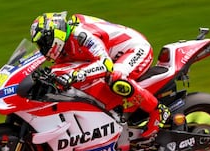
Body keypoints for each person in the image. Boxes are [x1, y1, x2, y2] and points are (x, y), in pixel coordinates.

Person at [30, 11, 170, 138]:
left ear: (56, 35)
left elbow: (105, 64)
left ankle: (158, 110)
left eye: (43, 43)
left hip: (134, 49)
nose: (42, 48)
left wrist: (76, 75)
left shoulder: (81, 35)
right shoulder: (63, 46)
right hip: (112, 57)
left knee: (115, 77)